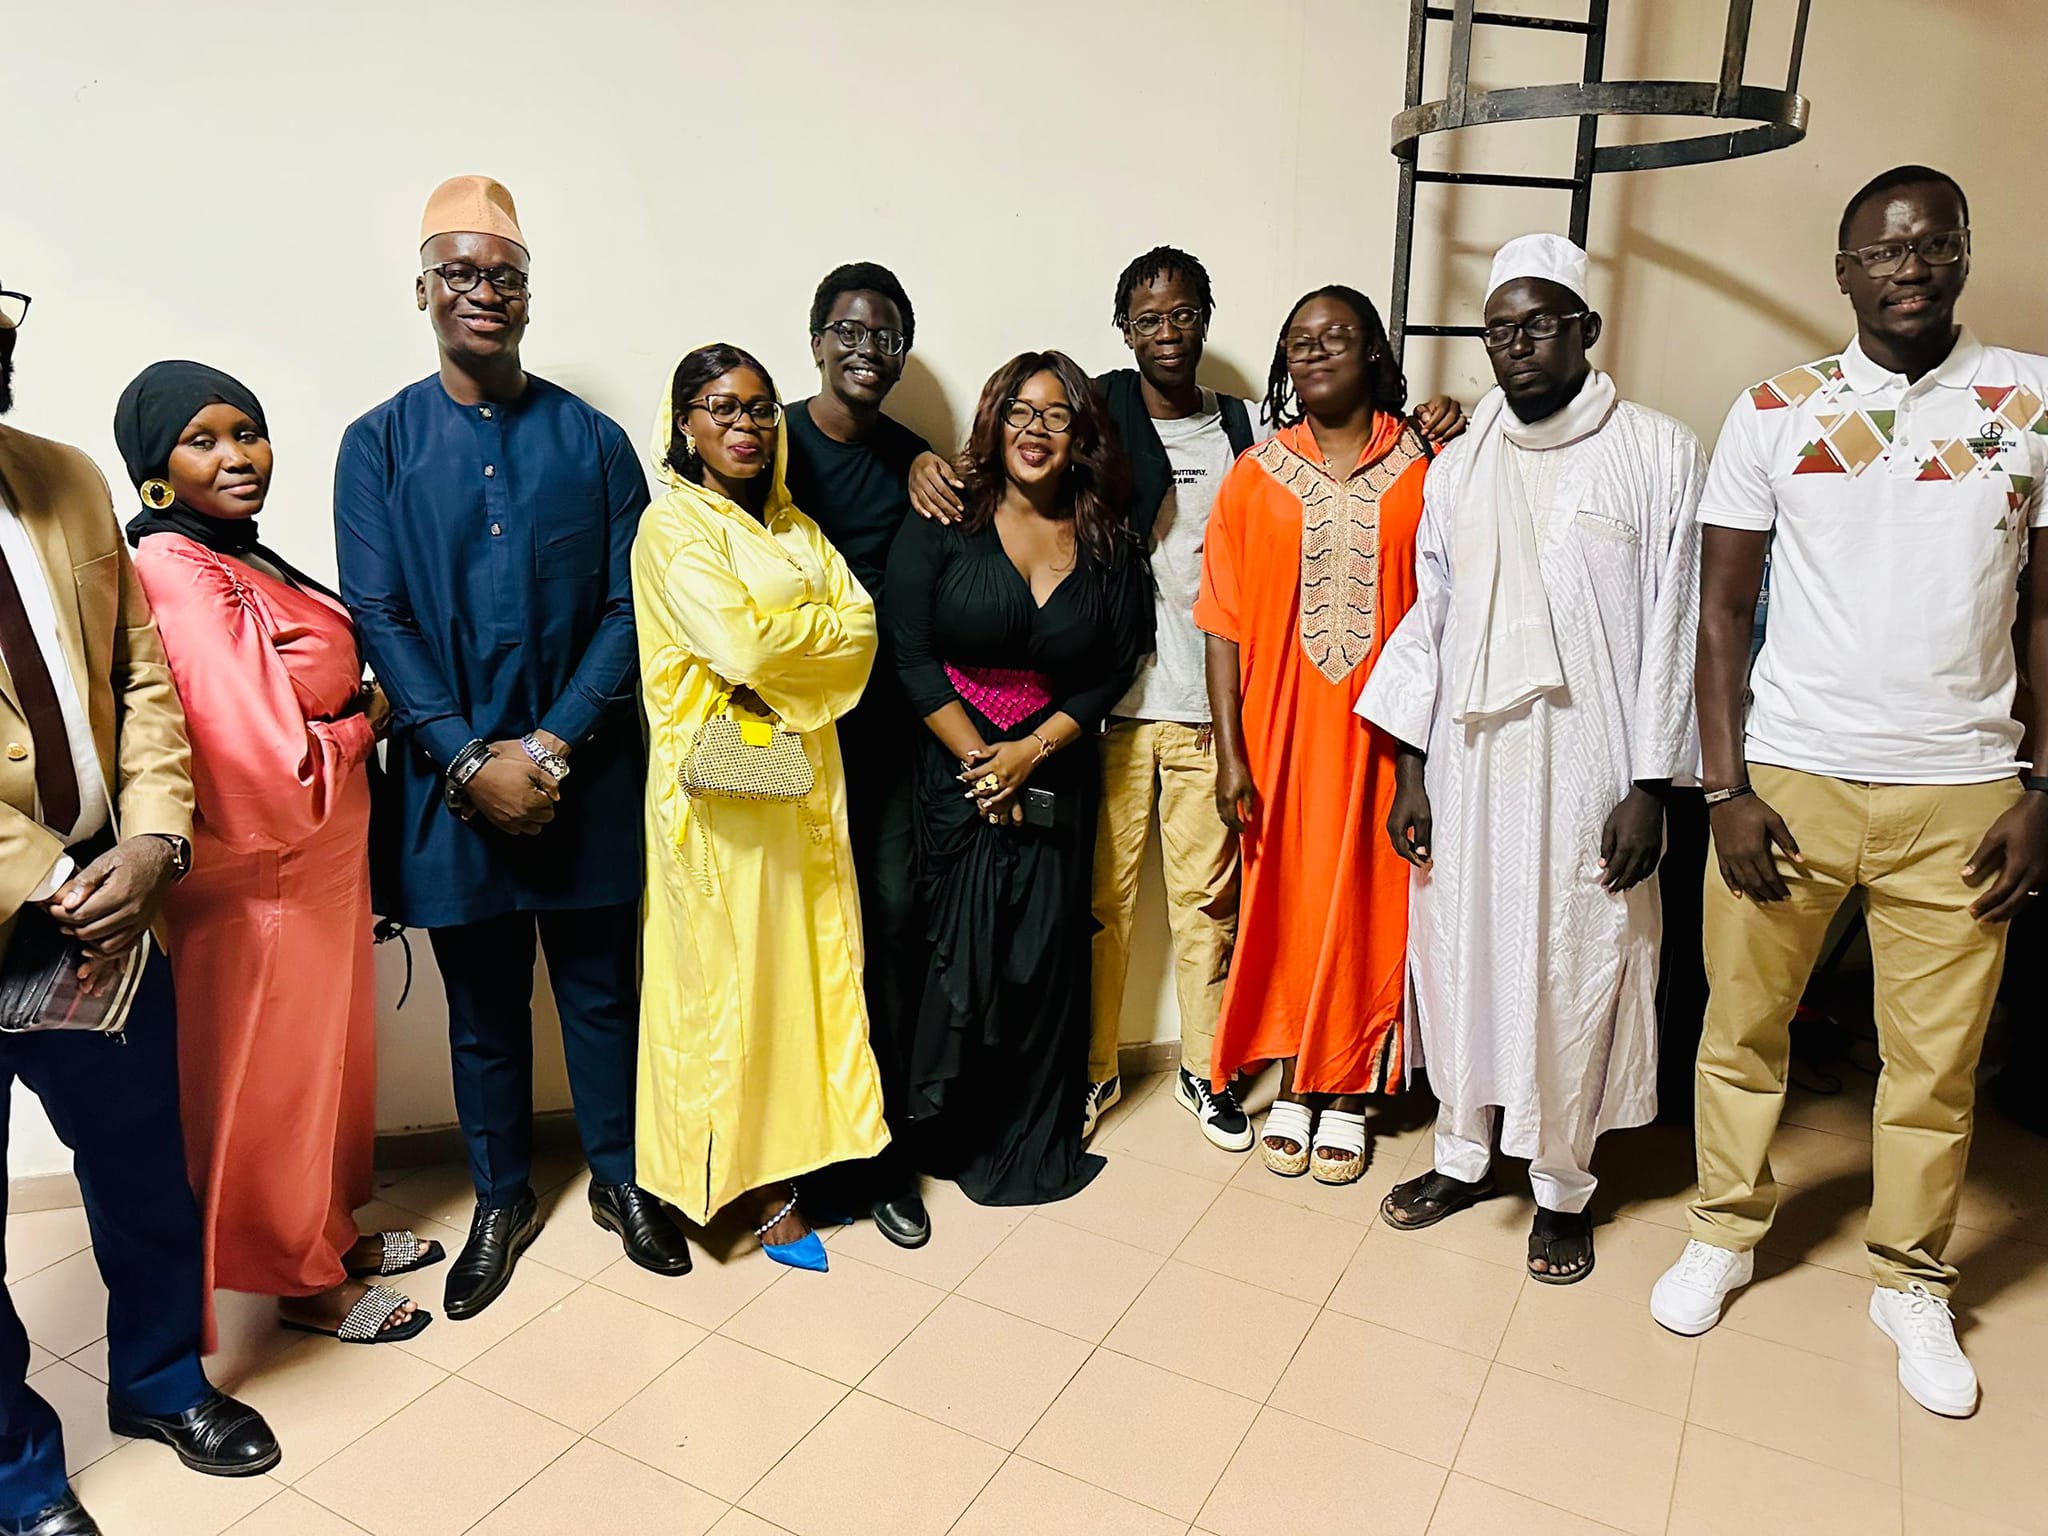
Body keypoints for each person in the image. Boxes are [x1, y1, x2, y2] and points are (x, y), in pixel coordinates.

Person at [909, 249, 1467, 1150]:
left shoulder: (1248, 428)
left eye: (1182, 315)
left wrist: (1443, 414)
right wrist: (925, 462)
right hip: (1104, 713)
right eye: (1147, 319)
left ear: (1207, 318)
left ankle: (1208, 1071)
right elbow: (1018, 442)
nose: (1166, 332)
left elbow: (1261, 567)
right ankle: (1093, 1072)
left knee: (1211, 906)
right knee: (1100, 906)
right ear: (1123, 331)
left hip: (1212, 715)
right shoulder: (1094, 411)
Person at [1649, 167, 2048, 1421]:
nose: (1907, 267)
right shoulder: (1775, 410)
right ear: (1842, 273)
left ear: (1963, 253)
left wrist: (2043, 784)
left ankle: (1909, 1279)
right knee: (1740, 1028)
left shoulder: (2030, 400)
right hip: (1791, 778)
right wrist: (1723, 786)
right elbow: (1718, 614)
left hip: (1964, 790)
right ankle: (1721, 1228)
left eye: (1932, 243)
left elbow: (2045, 612)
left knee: (1933, 1065)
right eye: (1881, 251)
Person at [335, 175, 689, 1321]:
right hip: (449, 790)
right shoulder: (376, 445)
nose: (482, 292)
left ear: (529, 296)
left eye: (503, 276)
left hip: (582, 773)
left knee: (601, 995)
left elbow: (630, 608)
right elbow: (378, 614)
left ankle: (621, 1179)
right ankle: (500, 1197)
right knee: (482, 1013)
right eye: (459, 273)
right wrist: (464, 758)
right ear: (421, 290)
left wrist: (547, 745)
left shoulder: (593, 441)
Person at [1360, 235, 1705, 1282]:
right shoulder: (1459, 467)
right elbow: (1429, 621)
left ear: (1585, 329)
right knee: (1460, 953)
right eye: (1498, 329)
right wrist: (1410, 772)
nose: (1517, 344)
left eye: (1540, 323)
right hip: (1470, 767)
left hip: (1592, 770)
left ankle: (1562, 1186)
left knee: (1574, 963)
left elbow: (1676, 628)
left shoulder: (1656, 451)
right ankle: (1462, 1157)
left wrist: (1649, 787)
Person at [0, 286, 279, 1536]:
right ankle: (16, 1475)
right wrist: (45, 877)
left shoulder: (61, 477)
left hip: (112, 904)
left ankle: (162, 1382)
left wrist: (157, 835)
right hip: (44, 894)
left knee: (144, 1169)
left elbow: (139, 674)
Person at [115, 362, 439, 1346]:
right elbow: (259, 761)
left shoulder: (236, 551)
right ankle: (299, 1279)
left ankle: (326, 1235)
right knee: (273, 1082)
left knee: (324, 1069)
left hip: (319, 862)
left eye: (246, 431)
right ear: (155, 468)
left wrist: (349, 717)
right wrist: (366, 721)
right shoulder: (178, 569)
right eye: (203, 439)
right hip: (264, 871)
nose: (237, 456)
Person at [633, 343, 889, 1271]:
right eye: (721, 407)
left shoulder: (795, 527)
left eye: (759, 408)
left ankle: (798, 1163)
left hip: (801, 788)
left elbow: (861, 632)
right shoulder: (672, 528)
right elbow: (739, 646)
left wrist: (786, 647)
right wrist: (797, 641)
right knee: (725, 993)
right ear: (685, 424)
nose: (744, 425)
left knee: (803, 981)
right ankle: (740, 1188)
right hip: (717, 804)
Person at [887, 351, 1150, 1205]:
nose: (1036, 431)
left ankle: (1027, 1128)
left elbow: (1113, 667)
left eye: (1056, 415)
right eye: (1020, 412)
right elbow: (910, 653)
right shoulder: (945, 517)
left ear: (1081, 434)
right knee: (954, 955)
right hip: (954, 768)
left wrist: (1028, 754)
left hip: (1053, 772)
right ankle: (943, 1129)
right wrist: (981, 763)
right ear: (995, 422)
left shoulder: (1106, 536)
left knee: (1039, 957)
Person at [1196, 285, 1434, 1185]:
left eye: (1338, 335)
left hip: (1387, 734)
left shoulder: (1427, 465)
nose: (1317, 350)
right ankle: (1297, 1069)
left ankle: (1353, 1085)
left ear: (1373, 350)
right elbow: (1221, 622)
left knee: (1376, 899)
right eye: (1300, 340)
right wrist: (1231, 754)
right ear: (1283, 363)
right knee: (1289, 899)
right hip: (1280, 732)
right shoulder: (1254, 473)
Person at [782, 263, 936, 1248]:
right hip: (778, 744)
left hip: (882, 742)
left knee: (888, 931)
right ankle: (796, 1159)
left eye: (884, 336)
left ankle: (883, 1159)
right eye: (847, 330)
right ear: (815, 342)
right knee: (788, 940)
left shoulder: (917, 459)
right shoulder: (765, 442)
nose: (864, 349)